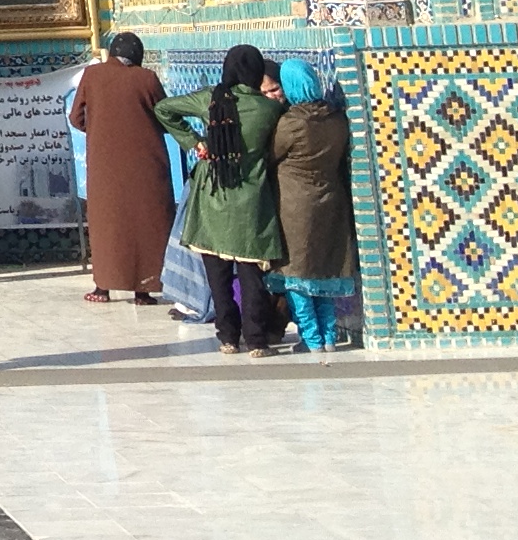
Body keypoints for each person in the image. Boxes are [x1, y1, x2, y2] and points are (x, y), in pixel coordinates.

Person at [155, 45, 286, 355]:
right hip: (251, 202)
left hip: (213, 197)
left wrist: (194, 142)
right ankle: (256, 339)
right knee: (252, 275)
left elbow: (164, 108)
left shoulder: (210, 99)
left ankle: (228, 337)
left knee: (218, 275)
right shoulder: (270, 110)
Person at [70, 32, 172, 304]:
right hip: (146, 167)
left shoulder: (93, 76)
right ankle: (143, 289)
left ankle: (103, 287)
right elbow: (165, 116)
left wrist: (99, 131)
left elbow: (76, 117)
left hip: (105, 168)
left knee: (108, 225)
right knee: (145, 224)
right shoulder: (146, 78)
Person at [269, 60, 359, 355]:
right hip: (332, 202)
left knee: (297, 275)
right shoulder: (336, 120)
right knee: (323, 273)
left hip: (296, 208)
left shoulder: (292, 124)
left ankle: (312, 337)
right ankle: (330, 335)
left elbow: (270, 156)